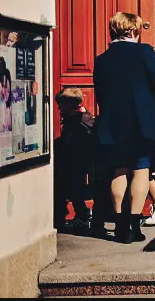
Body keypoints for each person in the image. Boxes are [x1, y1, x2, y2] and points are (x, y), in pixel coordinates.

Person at [93, 12, 155, 243]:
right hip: (141, 122)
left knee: (118, 170)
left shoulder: (102, 59)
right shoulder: (144, 52)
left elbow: (101, 93)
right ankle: (132, 226)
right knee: (140, 170)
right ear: (134, 30)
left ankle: (119, 224)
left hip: (112, 122)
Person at [53, 87, 96, 233]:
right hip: (74, 158)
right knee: (73, 188)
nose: (58, 108)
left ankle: (83, 216)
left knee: (75, 188)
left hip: (77, 159)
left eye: (61, 104)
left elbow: (82, 139)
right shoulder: (77, 117)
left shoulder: (81, 120)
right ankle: (82, 214)